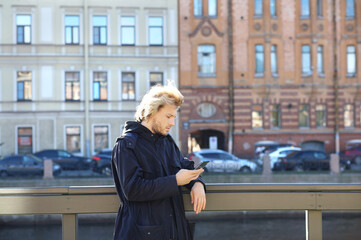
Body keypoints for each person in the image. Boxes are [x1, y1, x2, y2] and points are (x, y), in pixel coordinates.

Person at [111, 82, 206, 240]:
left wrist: (198, 183)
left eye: (174, 117)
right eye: (168, 116)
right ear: (151, 112)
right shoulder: (126, 145)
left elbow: (185, 167)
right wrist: (175, 180)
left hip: (173, 231)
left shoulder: (166, 141)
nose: (172, 123)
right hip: (141, 234)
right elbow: (132, 190)